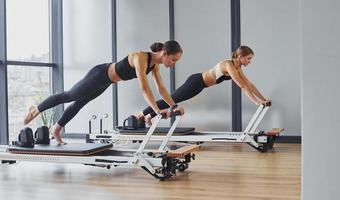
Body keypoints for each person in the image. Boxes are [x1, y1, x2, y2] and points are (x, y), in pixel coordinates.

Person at [23, 40, 185, 144]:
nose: (173, 63)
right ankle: (36, 109)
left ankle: (56, 129)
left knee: (80, 102)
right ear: (165, 54)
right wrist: (157, 111)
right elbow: (144, 88)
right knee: (70, 95)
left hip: (107, 81)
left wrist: (174, 106)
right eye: (173, 59)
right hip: (100, 74)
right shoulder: (140, 58)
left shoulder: (155, 65)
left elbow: (161, 89)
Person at [136, 45, 271, 124]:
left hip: (199, 86)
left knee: (171, 100)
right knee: (171, 100)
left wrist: (262, 99)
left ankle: (147, 115)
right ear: (240, 57)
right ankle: (141, 114)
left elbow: (249, 84)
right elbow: (242, 86)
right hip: (195, 82)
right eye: (248, 58)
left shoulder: (237, 68)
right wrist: (256, 102)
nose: (249, 61)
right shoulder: (228, 65)